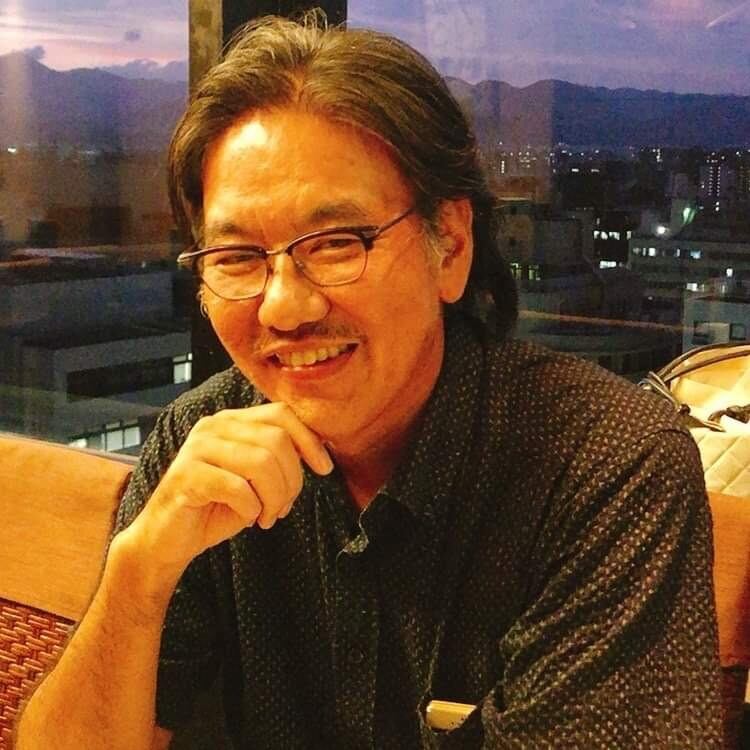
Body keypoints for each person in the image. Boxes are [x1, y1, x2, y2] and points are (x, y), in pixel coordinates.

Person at [15, 11, 722, 750]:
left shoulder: (605, 467)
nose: (284, 308)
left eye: (336, 244)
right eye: (237, 258)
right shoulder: (199, 447)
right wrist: (136, 577)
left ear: (450, 245)